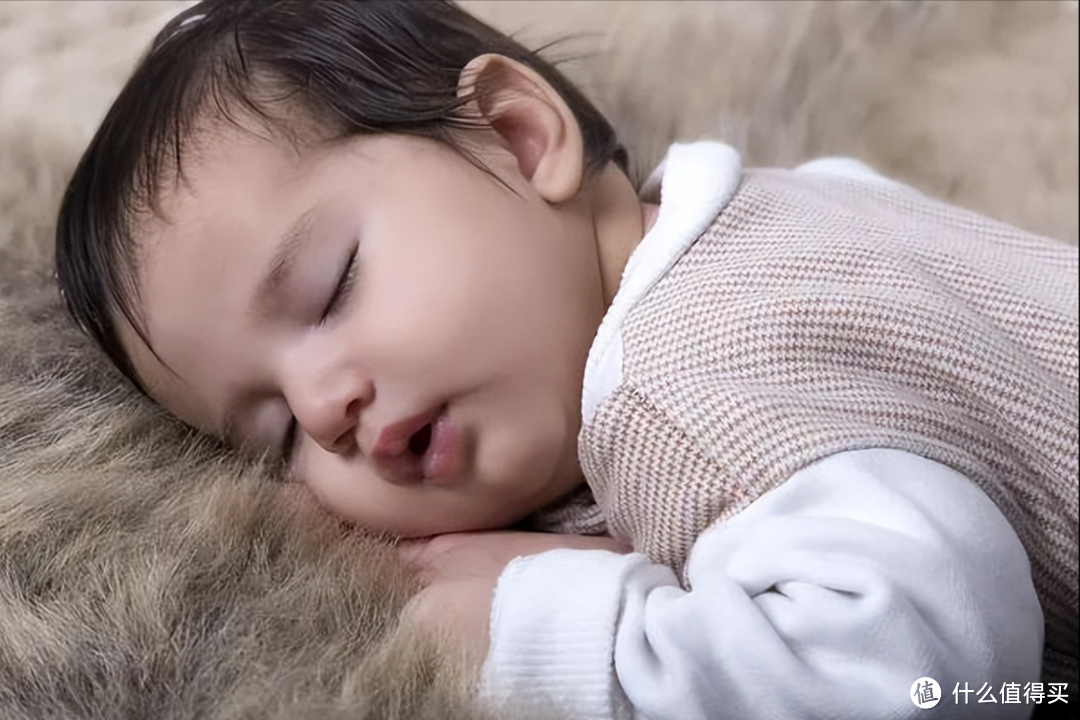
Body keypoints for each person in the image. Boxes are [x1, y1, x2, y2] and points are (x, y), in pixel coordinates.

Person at [54, 1, 1077, 718]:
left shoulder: (680, 391)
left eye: (331, 287)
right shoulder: (769, 207)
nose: (326, 406)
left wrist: (548, 620)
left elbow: (918, 675)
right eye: (272, 434)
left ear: (512, 132)